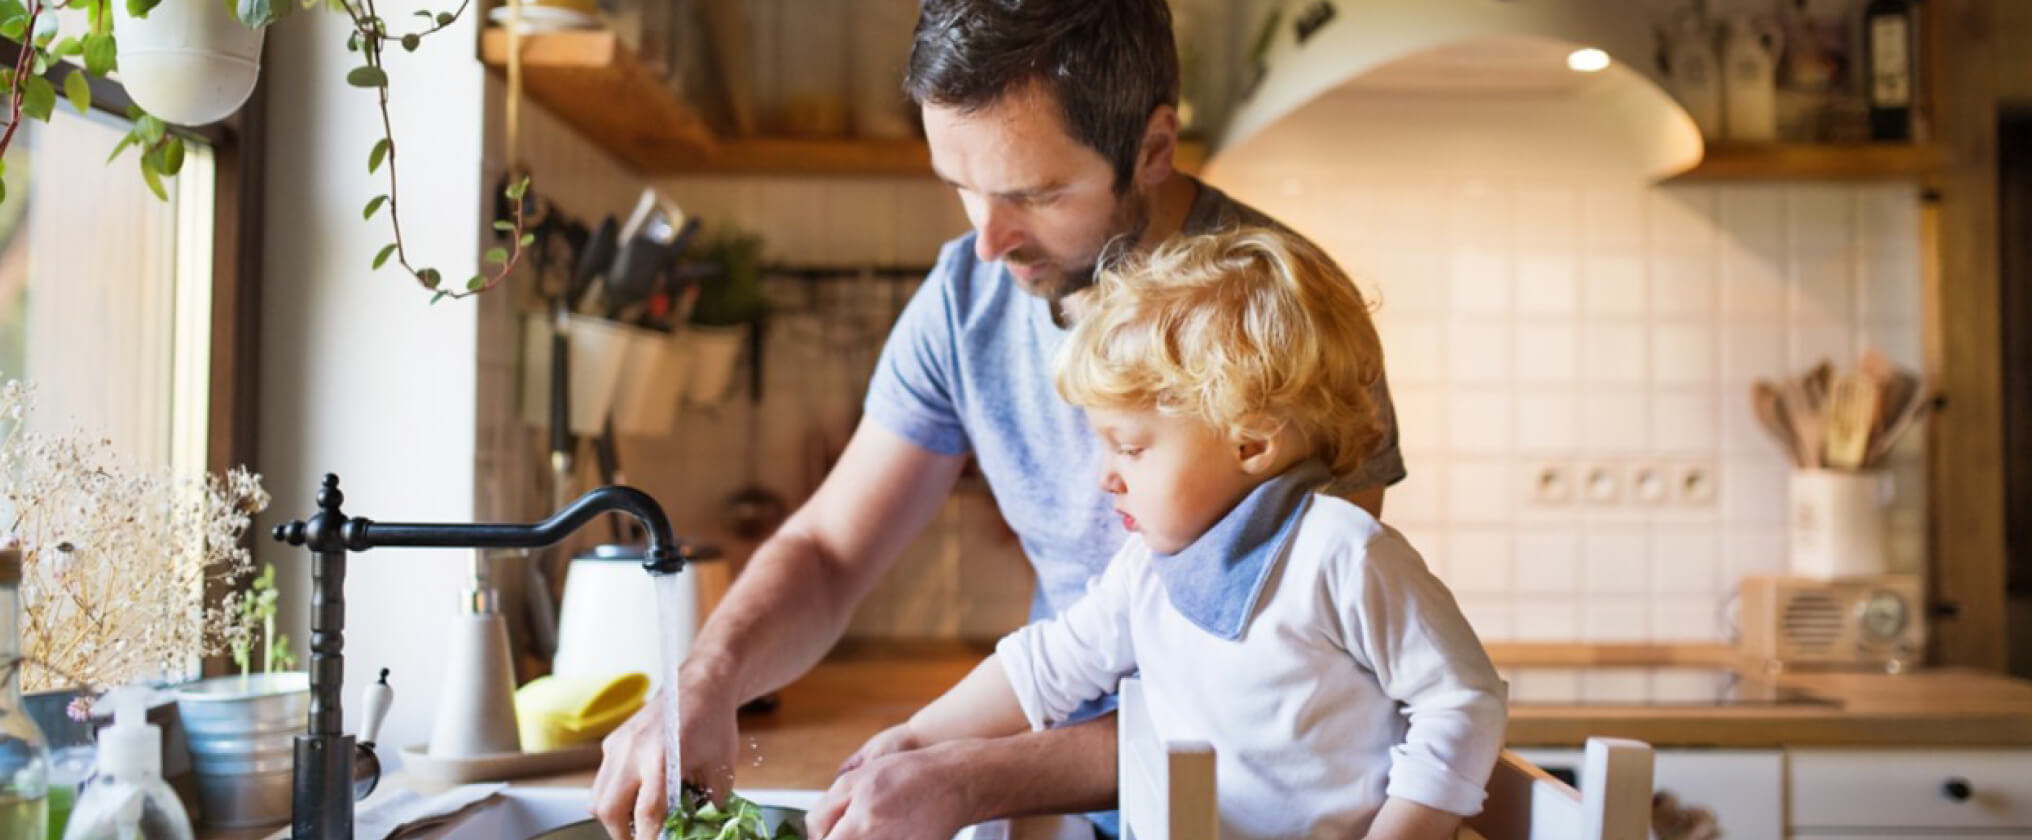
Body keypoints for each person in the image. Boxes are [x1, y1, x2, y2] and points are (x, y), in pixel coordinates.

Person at [589, 2, 1408, 838]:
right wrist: (706, 682)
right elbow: (830, 553)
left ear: (1153, 147)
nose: (987, 240)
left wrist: (980, 777)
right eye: (962, 188)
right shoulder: (964, 298)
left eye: (1035, 194)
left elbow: (1286, 682)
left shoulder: (1292, 325)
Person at [806, 228, 1508, 840]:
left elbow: (1461, 700)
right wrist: (912, 740)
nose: (1106, 477)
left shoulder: (1342, 553)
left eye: (1131, 449)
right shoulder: (1151, 565)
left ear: (1250, 445)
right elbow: (1046, 665)